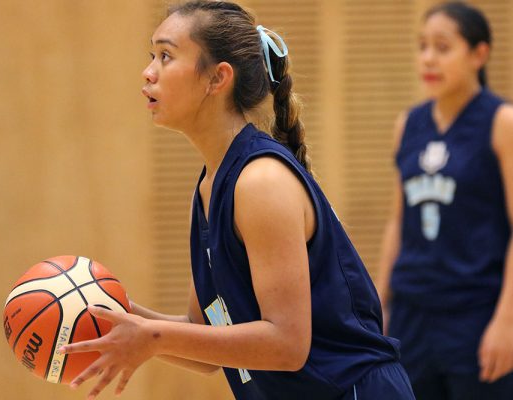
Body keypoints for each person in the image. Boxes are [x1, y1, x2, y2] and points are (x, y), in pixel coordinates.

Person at [59, 1, 414, 399]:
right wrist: (113, 313)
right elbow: (208, 344)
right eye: (151, 56)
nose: (148, 71)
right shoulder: (211, 186)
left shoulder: (259, 182)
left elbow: (287, 344)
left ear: (217, 78)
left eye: (166, 55)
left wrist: (153, 336)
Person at [375, 2, 513, 399]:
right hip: (412, 313)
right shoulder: (409, 125)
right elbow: (397, 223)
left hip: (476, 313)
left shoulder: (500, 122)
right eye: (422, 46)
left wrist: (506, 322)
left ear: (479, 54)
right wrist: (381, 304)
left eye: (443, 46)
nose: (429, 58)